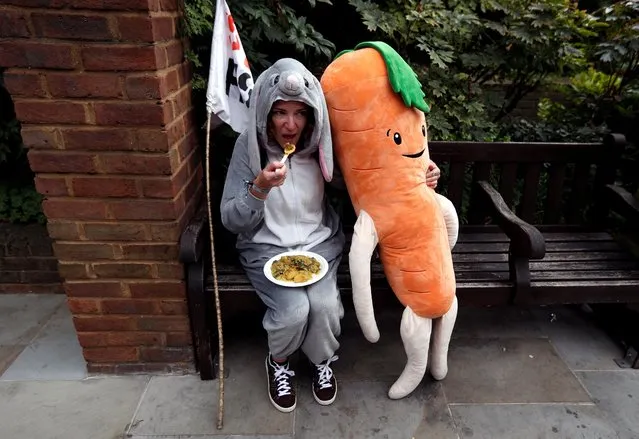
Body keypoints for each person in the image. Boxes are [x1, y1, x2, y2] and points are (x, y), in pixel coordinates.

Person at [220, 58, 441, 413]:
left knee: (324, 307)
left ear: (311, 115)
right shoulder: (249, 148)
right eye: (280, 113)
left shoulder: (321, 145)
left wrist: (419, 174)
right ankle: (279, 363)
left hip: (318, 246)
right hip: (265, 251)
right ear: (265, 113)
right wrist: (259, 188)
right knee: (293, 312)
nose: (290, 125)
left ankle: (321, 362)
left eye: (299, 113)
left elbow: (374, 176)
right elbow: (231, 219)